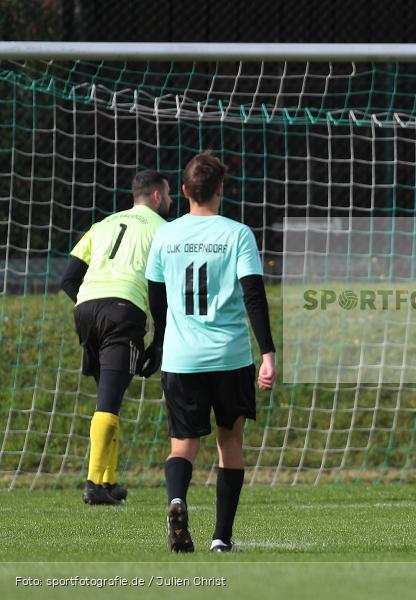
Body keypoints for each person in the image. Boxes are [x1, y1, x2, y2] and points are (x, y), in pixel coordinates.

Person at [145, 152, 276, 553]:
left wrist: (161, 341)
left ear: (185, 190)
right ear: (220, 188)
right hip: (230, 357)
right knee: (229, 441)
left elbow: (156, 298)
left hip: (181, 358)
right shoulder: (238, 235)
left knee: (182, 445)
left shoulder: (165, 235)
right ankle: (221, 538)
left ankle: (177, 499)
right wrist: (268, 353)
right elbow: (254, 296)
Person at [60, 170, 172, 505]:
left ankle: (107, 480)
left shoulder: (103, 224)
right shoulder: (163, 229)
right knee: (109, 399)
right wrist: (160, 340)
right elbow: (159, 291)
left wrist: (93, 301)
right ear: (156, 196)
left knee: (109, 395)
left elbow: (68, 279)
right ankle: (94, 484)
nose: (170, 201)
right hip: (123, 310)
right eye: (168, 195)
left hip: (86, 308)